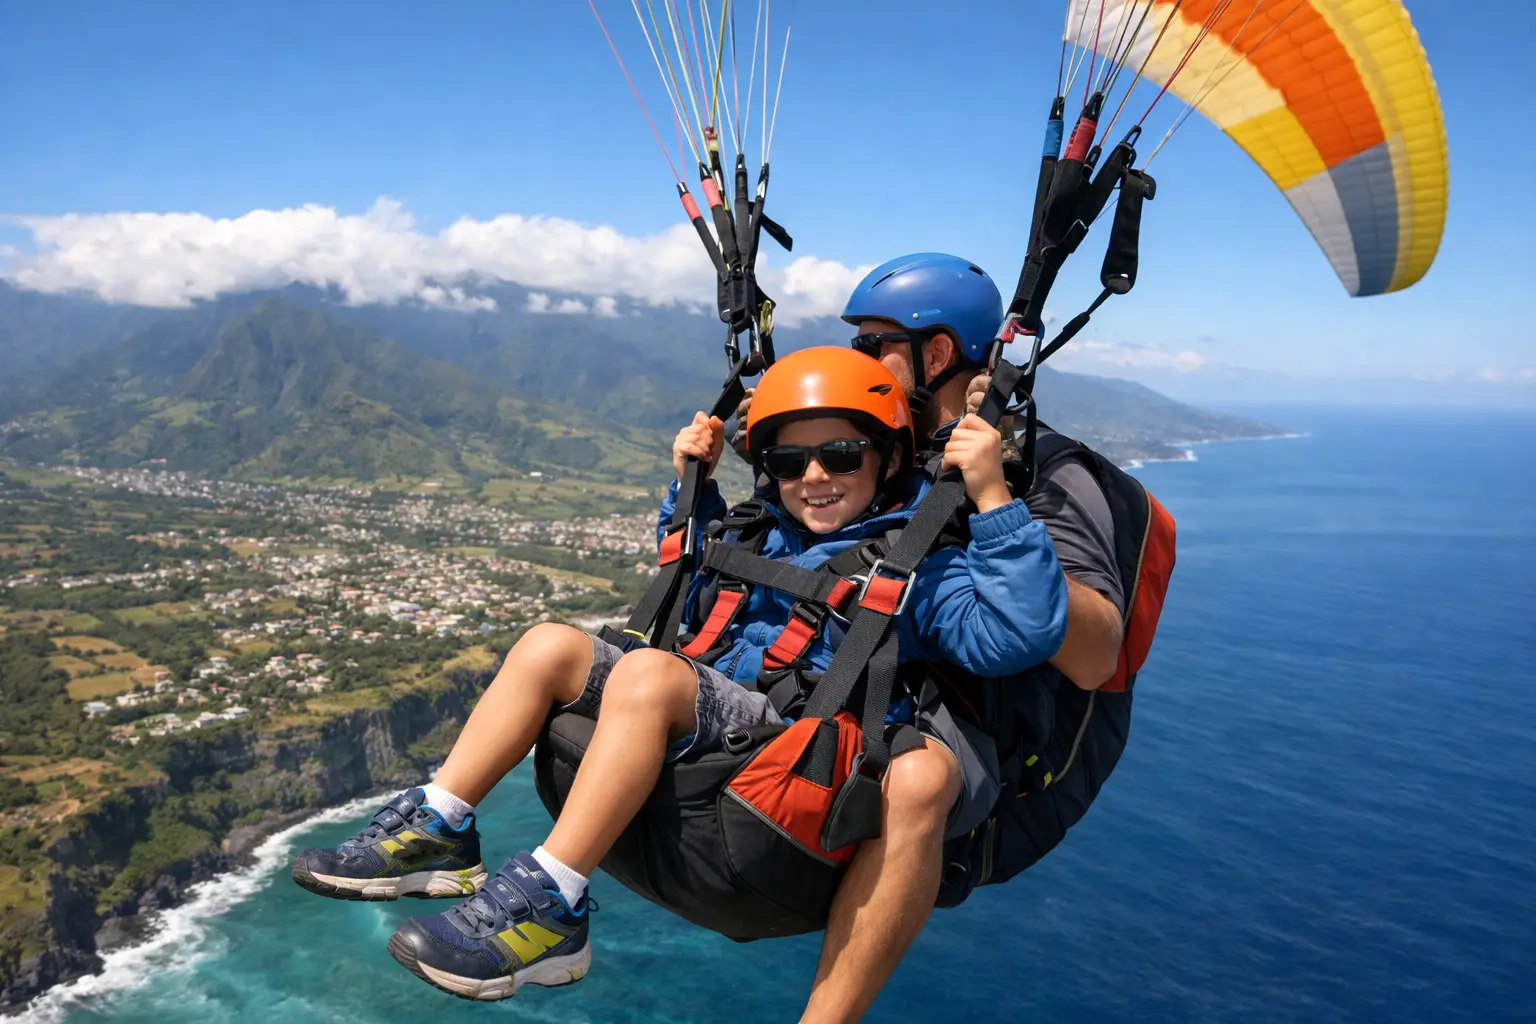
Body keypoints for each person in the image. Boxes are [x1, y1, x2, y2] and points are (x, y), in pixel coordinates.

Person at [290, 346, 1069, 1010]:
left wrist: (992, 496)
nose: (814, 477)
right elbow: (687, 574)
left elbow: (1019, 633)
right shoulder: (758, 532)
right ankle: (441, 824)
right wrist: (691, 483)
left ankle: (552, 899)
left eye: (841, 455)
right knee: (548, 645)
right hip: (701, 717)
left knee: (649, 675)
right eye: (788, 462)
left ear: (890, 458)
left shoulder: (916, 567)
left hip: (784, 749)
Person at [732, 254, 1129, 1022]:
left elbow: (1095, 655)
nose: (857, 359)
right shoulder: (889, 449)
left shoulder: (1047, 471)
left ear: (936, 352)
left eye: (871, 345)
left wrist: (996, 498)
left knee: (916, 781)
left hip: (943, 756)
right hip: (840, 716)